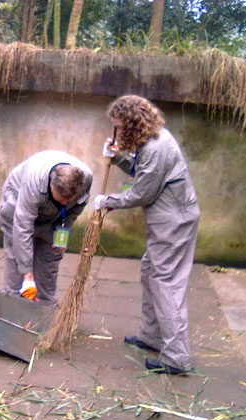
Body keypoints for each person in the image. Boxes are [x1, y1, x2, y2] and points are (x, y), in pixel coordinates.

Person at [94, 95, 200, 375]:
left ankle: (177, 357)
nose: (115, 132)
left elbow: (143, 192)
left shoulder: (156, 147)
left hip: (174, 222)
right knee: (150, 270)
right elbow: (143, 174)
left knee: (165, 281)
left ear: (131, 124)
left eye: (118, 126)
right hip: (167, 219)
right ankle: (152, 337)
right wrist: (118, 158)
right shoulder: (150, 141)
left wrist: (108, 201)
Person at [0, 150, 93, 307]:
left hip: (52, 220)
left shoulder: (85, 179)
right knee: (17, 261)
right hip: (16, 210)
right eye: (61, 198)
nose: (64, 203)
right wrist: (27, 275)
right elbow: (22, 228)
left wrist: (60, 239)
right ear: (51, 185)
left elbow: (72, 214)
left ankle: (46, 311)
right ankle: (12, 307)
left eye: (68, 200)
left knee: (50, 262)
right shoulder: (33, 182)